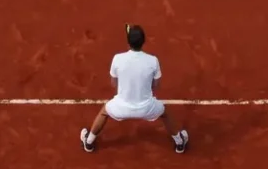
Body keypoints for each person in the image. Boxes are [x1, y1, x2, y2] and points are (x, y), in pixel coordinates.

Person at [80, 24, 189, 154]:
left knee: (104, 112)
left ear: (128, 42)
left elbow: (113, 83)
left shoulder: (117, 58)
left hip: (121, 107)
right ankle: (180, 143)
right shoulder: (153, 61)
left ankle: (89, 142)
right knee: (165, 114)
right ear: (143, 42)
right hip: (147, 107)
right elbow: (156, 85)